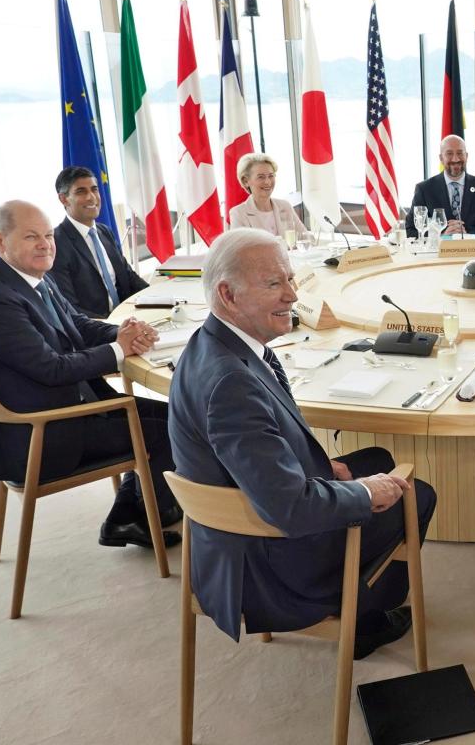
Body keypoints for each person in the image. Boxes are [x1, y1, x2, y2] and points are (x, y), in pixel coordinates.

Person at [167, 228, 437, 654]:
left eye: (290, 279)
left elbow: (256, 452)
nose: (292, 295)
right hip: (268, 563)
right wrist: (364, 494)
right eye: (274, 284)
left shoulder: (214, 343)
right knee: (415, 494)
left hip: (243, 527)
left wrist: (327, 471)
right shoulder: (232, 384)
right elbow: (289, 509)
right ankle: (360, 619)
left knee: (377, 457)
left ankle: (360, 606)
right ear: (227, 294)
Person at [0, 200, 181, 550]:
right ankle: (150, 513)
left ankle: (130, 515)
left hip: (64, 409)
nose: (46, 244)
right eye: (32, 236)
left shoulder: (31, 280)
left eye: (48, 235)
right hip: (41, 435)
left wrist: (121, 333)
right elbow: (53, 368)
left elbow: (75, 324)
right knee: (173, 428)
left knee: (175, 414)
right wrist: (120, 349)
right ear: (0, 242)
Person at [48, 166, 148, 318]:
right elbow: (69, 308)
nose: (91, 197)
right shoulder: (56, 243)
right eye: (81, 192)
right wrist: (115, 327)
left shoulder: (104, 232)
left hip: (128, 318)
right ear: (64, 199)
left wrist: (162, 299)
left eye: (94, 189)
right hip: (97, 330)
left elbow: (128, 278)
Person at [406, 134, 475, 237]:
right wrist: (442, 235)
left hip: (472, 251)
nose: (456, 159)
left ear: (467, 156)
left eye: (460, 153)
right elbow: (412, 230)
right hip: (437, 252)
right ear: (441, 158)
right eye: (449, 153)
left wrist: (468, 237)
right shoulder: (424, 189)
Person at [226, 152, 309, 239]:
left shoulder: (285, 206)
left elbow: (305, 238)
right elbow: (241, 250)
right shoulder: (238, 213)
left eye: (271, 176)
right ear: (246, 181)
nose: (267, 182)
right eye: (261, 177)